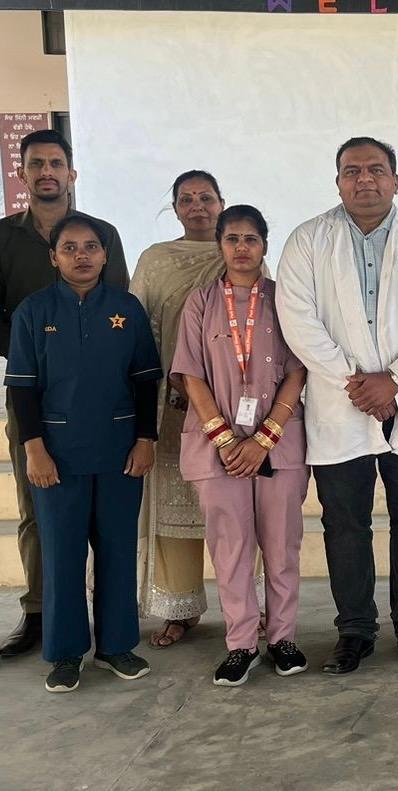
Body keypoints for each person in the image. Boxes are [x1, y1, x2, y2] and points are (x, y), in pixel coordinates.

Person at [276, 136, 398, 674]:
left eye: (376, 169)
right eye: (352, 170)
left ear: (395, 181)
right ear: (337, 181)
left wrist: (395, 379)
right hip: (339, 404)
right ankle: (354, 631)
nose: (365, 179)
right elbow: (297, 318)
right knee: (344, 523)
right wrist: (355, 382)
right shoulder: (308, 240)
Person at [4, 215, 159, 692]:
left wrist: (146, 439)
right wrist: (34, 450)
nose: (81, 255)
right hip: (57, 457)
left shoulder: (126, 309)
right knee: (62, 555)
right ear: (54, 257)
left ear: (105, 254)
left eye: (91, 246)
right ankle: (66, 653)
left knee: (117, 550)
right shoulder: (33, 311)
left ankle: (116, 647)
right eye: (69, 248)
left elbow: (145, 381)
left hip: (120, 454)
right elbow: (21, 389)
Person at [0, 129, 128, 659]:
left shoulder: (100, 234)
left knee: (105, 516)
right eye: (37, 164)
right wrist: (36, 352)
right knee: (38, 506)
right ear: (22, 173)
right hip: (32, 395)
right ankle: (40, 612)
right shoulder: (4, 237)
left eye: (56, 162)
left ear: (71, 173)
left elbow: (118, 309)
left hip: (99, 399)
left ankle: (112, 625)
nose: (47, 172)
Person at [173, 205, 309, 686]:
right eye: (232, 239)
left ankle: (283, 638)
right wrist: (227, 438)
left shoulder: (286, 298)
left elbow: (298, 370)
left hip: (280, 443)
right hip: (219, 447)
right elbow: (190, 374)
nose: (242, 248)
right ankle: (241, 644)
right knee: (230, 549)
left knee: (282, 545)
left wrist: (265, 437)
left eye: (251, 239)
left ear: (265, 245)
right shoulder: (200, 302)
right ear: (220, 245)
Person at [130, 170, 228, 648]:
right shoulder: (156, 260)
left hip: (232, 406)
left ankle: (250, 609)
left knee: (237, 512)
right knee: (174, 510)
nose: (197, 207)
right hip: (171, 406)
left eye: (206, 197)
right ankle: (179, 608)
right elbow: (136, 329)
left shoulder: (238, 250)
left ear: (221, 203)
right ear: (174, 209)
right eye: (186, 199)